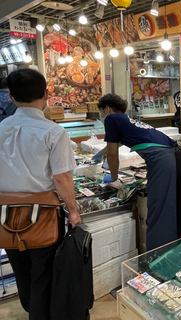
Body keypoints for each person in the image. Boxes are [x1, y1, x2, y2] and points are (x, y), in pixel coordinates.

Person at [0, 69, 81, 320]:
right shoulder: (54, 132)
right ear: (46, 95)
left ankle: (29, 310)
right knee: (43, 275)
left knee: (20, 269)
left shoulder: (1, 127)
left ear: (11, 97)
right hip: (42, 215)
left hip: (5, 215)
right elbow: (61, 178)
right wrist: (74, 211)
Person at [95, 93, 181, 251]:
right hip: (179, 157)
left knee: (159, 213)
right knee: (178, 208)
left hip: (164, 162)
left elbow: (113, 154)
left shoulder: (111, 119)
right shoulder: (127, 121)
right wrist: (98, 155)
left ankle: (159, 262)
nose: (101, 116)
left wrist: (113, 176)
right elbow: (114, 145)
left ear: (107, 109)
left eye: (101, 112)